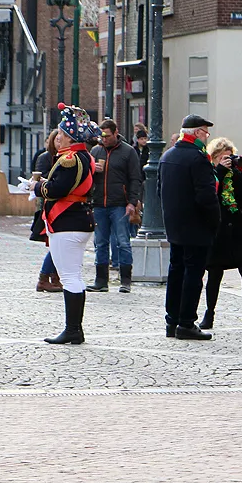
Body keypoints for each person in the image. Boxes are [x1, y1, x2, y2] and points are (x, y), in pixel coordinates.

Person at [34, 104, 100, 345]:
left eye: (60, 135)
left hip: (68, 221)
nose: (56, 139)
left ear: (70, 138)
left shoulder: (70, 159)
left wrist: (37, 187)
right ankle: (74, 329)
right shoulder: (85, 156)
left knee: (70, 276)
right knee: (73, 275)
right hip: (79, 219)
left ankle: (73, 329)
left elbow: (57, 189)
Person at [160, 114, 222, 340]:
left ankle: (172, 320)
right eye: (205, 132)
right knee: (193, 275)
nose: (207, 137)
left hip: (175, 225)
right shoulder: (198, 159)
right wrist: (215, 222)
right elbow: (207, 196)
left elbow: (160, 190)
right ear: (196, 133)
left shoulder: (168, 156)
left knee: (176, 271)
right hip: (196, 226)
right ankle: (186, 322)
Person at [199, 137, 242, 332]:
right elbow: (209, 194)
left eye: (229, 156)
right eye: (223, 157)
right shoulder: (210, 172)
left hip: (239, 229)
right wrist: (220, 170)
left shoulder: (237, 174)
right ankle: (209, 314)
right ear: (215, 158)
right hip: (218, 230)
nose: (227, 160)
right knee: (214, 274)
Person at [86, 119, 143, 294]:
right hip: (100, 204)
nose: (104, 139)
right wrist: (92, 170)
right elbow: (87, 179)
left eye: (108, 136)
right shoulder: (96, 151)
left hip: (120, 204)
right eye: (102, 136)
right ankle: (101, 280)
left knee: (123, 242)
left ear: (115, 132)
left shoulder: (128, 152)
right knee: (100, 243)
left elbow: (135, 179)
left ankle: (125, 280)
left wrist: (132, 202)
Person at [33, 130, 63, 293]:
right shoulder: (45, 158)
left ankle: (54, 277)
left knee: (59, 244)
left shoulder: (67, 158)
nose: (60, 143)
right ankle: (44, 278)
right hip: (50, 205)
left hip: (62, 204)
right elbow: (38, 179)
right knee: (57, 244)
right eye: (57, 140)